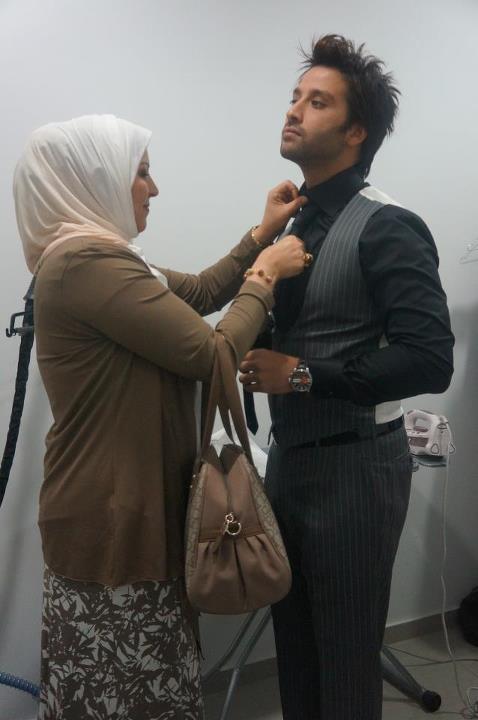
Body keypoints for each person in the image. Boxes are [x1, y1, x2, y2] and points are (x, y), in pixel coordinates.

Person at [12, 114, 307, 720]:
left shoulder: (105, 259)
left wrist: (261, 234)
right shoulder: (86, 263)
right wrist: (265, 276)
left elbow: (198, 292)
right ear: (93, 178)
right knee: (128, 696)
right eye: (140, 173)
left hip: (122, 507)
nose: (154, 188)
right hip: (113, 522)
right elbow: (214, 355)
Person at [239, 35, 454, 720]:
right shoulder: (291, 224)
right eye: (295, 97)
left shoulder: (388, 226)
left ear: (356, 131)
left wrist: (302, 375)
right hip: (289, 464)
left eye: (317, 101)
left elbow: (430, 357)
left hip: (356, 471)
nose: (294, 110)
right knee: (295, 652)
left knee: (347, 660)